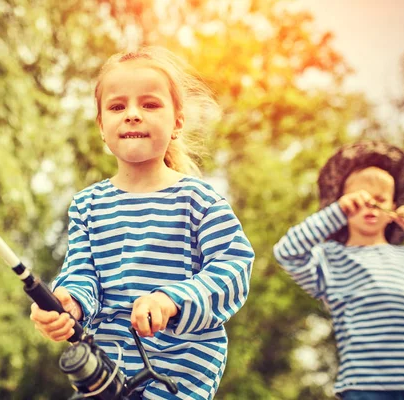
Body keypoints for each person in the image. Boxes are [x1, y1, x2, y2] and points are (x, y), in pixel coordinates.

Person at [29, 46, 254, 400]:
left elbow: (234, 268)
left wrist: (171, 299)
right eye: (117, 107)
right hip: (106, 374)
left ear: (177, 121)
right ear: (102, 126)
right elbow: (81, 271)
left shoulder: (199, 200)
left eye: (149, 105)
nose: (132, 115)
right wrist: (68, 302)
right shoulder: (87, 205)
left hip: (179, 379)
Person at [273, 140, 404, 400]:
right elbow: (287, 252)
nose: (371, 205)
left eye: (380, 199)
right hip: (364, 387)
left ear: (393, 206)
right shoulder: (332, 258)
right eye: (360, 199)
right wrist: (338, 211)